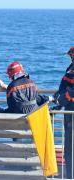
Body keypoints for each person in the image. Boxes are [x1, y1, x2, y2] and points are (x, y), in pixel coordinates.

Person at [53, 46, 74, 179]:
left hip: (71, 113)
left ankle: (71, 175)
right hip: (69, 111)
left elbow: (70, 91)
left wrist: (61, 100)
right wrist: (57, 97)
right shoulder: (70, 68)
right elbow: (64, 87)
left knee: (70, 148)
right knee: (69, 148)